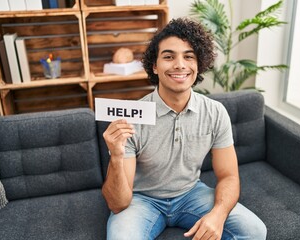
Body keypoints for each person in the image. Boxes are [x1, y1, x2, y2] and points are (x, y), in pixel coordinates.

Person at [102, 18, 267, 240]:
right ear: (154, 66)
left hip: (191, 193)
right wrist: (116, 156)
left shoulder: (215, 112)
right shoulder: (133, 117)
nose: (180, 64)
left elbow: (229, 176)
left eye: (188, 56)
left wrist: (218, 214)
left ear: (198, 64)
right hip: (141, 200)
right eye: (169, 57)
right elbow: (118, 203)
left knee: (255, 231)